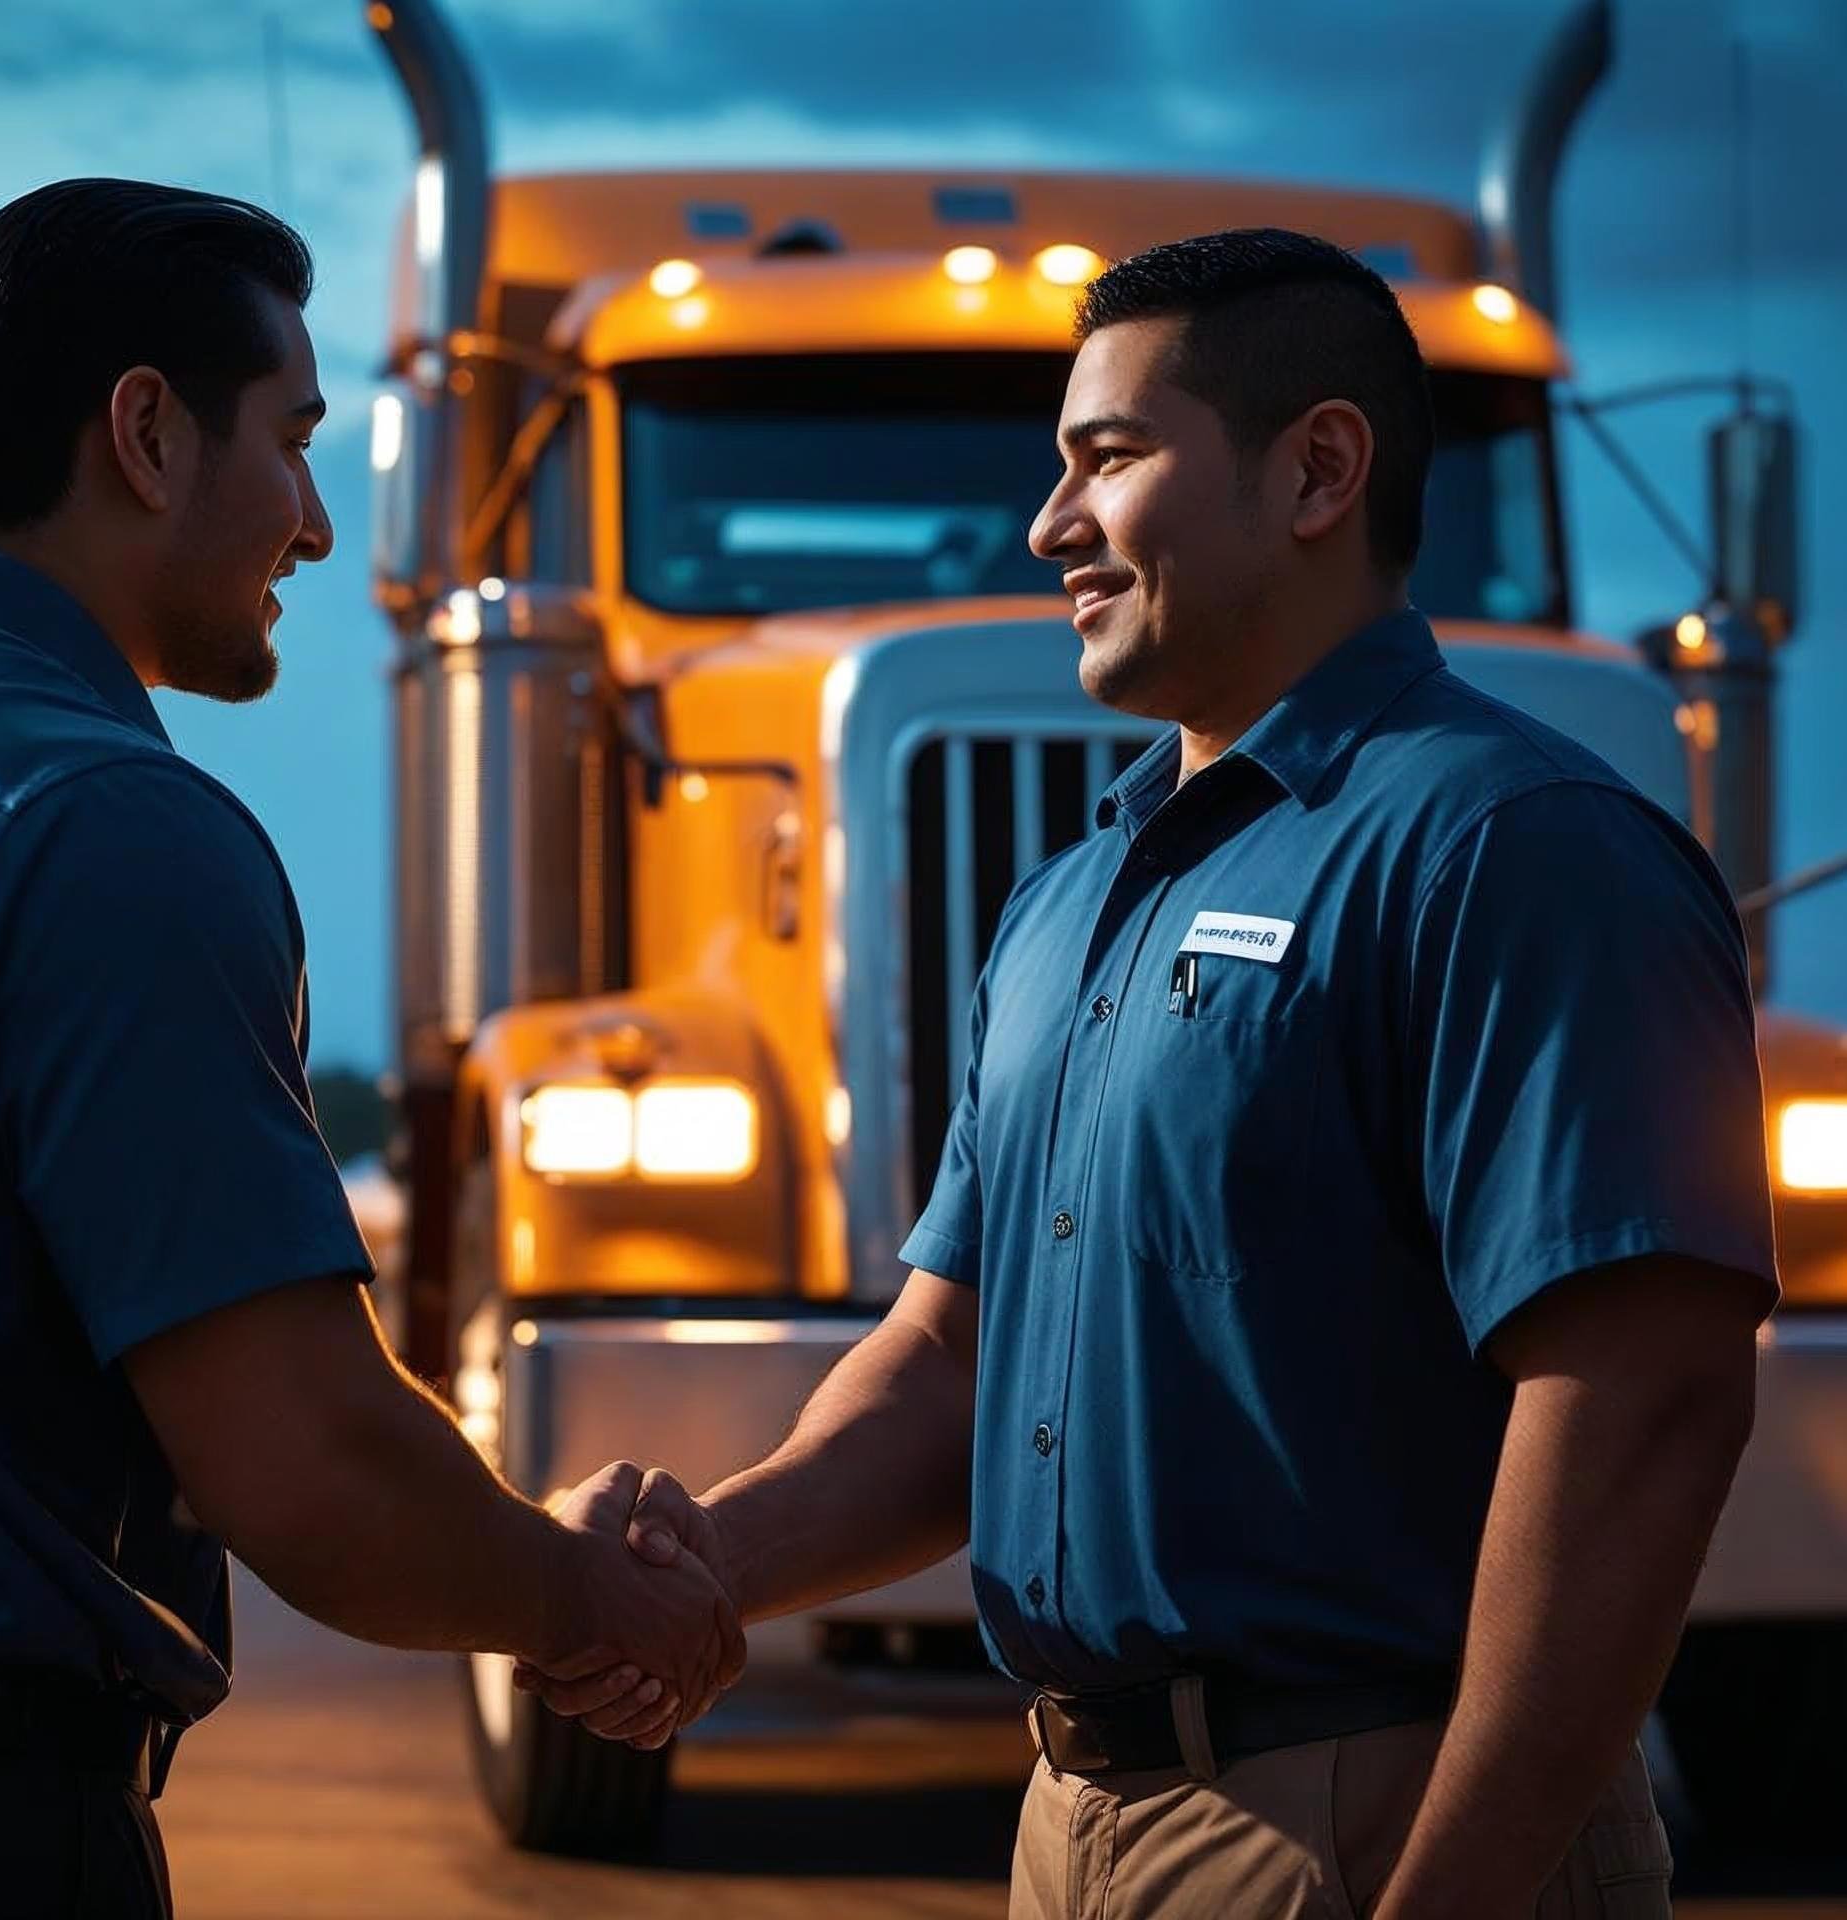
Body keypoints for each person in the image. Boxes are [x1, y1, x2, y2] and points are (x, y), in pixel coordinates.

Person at [529, 229, 1777, 1919]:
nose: (1046, 528)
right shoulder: (1068, 904)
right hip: (1074, 1824)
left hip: (1371, 1818)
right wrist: (707, 1566)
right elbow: (952, 1354)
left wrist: (1453, 1890)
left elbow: (1644, 1402)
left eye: (1107, 459)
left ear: (1319, 470)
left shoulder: (1519, 851)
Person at [0, 179, 737, 1920]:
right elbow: (303, 1460)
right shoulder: (108, 827)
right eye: (297, 440)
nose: (317, 525)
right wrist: (581, 1601)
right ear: (149, 434)